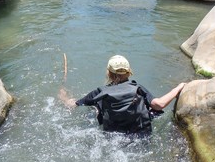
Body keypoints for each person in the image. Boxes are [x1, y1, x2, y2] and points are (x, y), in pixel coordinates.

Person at [58, 55, 186, 135]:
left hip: (114, 137)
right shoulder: (138, 88)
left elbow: (72, 105)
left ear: (108, 73)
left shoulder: (100, 92)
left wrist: (63, 96)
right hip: (140, 134)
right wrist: (179, 87)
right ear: (129, 72)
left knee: (96, 108)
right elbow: (159, 105)